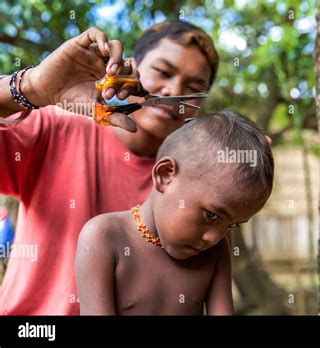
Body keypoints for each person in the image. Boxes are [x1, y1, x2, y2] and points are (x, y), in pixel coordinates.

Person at [0, 20, 218, 315]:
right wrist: (31, 87)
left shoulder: (191, 183)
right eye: (163, 72)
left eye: (193, 88)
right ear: (133, 66)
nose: (172, 91)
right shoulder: (56, 126)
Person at [75, 110, 274, 315]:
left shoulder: (215, 252)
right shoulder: (104, 237)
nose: (213, 237)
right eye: (211, 215)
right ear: (165, 175)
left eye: (231, 225)